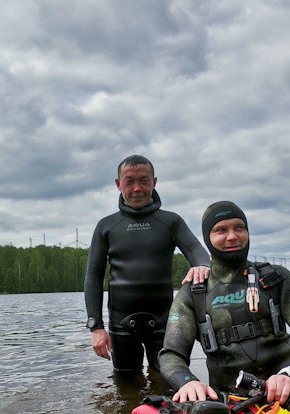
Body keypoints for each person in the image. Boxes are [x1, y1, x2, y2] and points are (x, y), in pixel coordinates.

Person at [158, 201, 290, 406]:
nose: (232, 236)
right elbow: (170, 355)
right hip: (230, 402)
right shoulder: (193, 292)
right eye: (221, 230)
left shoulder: (277, 279)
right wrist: (188, 382)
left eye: (239, 227)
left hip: (288, 392)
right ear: (207, 238)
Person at [84, 156, 210, 374]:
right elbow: (93, 278)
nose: (137, 189)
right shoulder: (107, 226)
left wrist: (202, 266)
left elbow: (196, 250)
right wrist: (96, 327)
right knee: (125, 384)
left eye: (144, 181)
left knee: (168, 382)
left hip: (164, 324)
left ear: (154, 182)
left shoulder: (171, 222)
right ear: (118, 184)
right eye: (129, 181)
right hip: (121, 325)